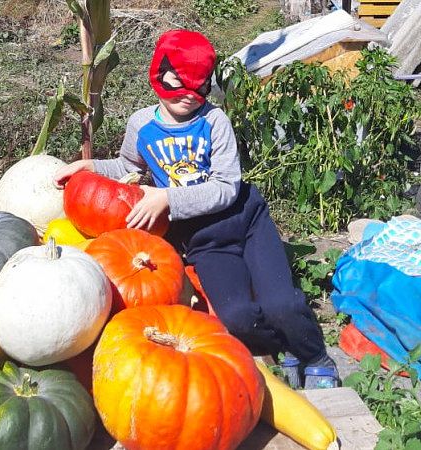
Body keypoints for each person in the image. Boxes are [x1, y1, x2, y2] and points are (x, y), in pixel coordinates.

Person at [53, 29, 338, 388]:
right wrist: (91, 167)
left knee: (282, 302)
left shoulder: (214, 121)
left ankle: (315, 355)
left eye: (199, 86)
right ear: (158, 76)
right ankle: (283, 345)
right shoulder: (142, 125)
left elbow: (226, 186)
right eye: (178, 83)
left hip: (246, 220)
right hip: (203, 240)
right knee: (237, 319)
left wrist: (168, 198)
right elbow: (131, 169)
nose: (189, 96)